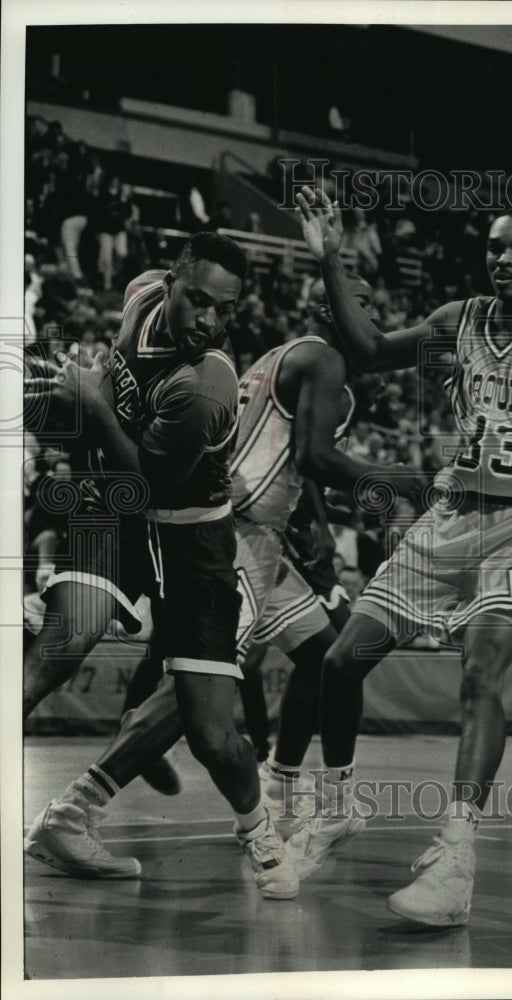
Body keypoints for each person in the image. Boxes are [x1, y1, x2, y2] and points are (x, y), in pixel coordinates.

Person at [289, 187, 512, 926]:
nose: (503, 257)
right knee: (339, 662)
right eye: (494, 246)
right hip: (449, 519)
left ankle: (457, 854)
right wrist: (331, 258)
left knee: (480, 667)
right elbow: (365, 351)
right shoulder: (456, 321)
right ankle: (335, 806)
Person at [24, 274, 421, 876]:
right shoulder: (325, 360)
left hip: (263, 535)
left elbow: (292, 458)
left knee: (327, 652)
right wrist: (396, 478)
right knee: (198, 696)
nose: (373, 316)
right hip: (232, 533)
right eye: (362, 303)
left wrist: (311, 521)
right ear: (327, 306)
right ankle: (77, 808)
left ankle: (283, 780)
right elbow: (313, 457)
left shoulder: (281, 356)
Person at [23, 232, 299, 900]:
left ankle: (257, 827)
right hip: (116, 511)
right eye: (198, 300)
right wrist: (50, 400)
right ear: (170, 281)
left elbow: (149, 477)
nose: (209, 321)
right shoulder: (140, 292)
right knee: (64, 640)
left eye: (224, 311)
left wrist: (86, 403)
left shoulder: (209, 383)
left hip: (189, 539)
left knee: (210, 732)